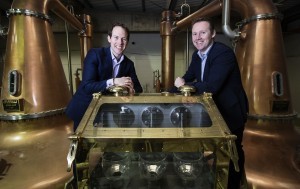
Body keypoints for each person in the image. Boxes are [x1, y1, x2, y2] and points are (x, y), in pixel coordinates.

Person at [170, 17, 248, 189]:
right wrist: (169, 91)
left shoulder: (223, 53)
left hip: (230, 111)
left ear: (212, 34)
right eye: (195, 34)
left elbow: (211, 86)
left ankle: (233, 184)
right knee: (217, 149)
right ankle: (215, 176)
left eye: (202, 33)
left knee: (232, 150)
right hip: (214, 111)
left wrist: (184, 85)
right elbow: (188, 76)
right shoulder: (197, 55)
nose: (198, 37)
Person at [66, 22, 143, 131]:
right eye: (116, 37)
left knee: (105, 142)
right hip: (86, 108)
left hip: (108, 111)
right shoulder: (95, 54)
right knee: (82, 143)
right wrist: (114, 81)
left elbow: (139, 88)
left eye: (124, 39)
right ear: (109, 39)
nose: (120, 42)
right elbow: (88, 86)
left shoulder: (128, 64)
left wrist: (130, 89)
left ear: (127, 42)